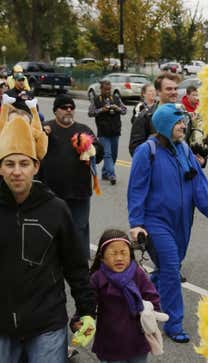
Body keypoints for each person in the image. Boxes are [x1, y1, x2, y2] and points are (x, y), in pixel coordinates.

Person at [0, 100, 96, 363]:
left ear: (36, 167)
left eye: (23, 163)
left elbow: (75, 265)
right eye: (9, 164)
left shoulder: (56, 209)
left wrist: (87, 311)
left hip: (47, 324)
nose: (17, 171)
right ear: (0, 168)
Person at [127, 103, 208, 343]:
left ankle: (142, 295)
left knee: (168, 267)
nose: (182, 126)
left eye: (183, 122)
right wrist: (136, 223)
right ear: (165, 125)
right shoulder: (147, 151)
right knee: (170, 268)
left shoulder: (184, 150)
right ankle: (173, 323)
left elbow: (199, 186)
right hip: (156, 221)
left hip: (182, 221)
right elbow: (136, 189)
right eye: (177, 123)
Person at [39, 94, 104, 261]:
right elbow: (33, 150)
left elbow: (99, 152)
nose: (68, 110)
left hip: (79, 192)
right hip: (50, 193)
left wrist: (90, 146)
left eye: (71, 108)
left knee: (79, 229)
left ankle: (81, 266)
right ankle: (52, 264)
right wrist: (41, 135)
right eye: (64, 108)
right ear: (55, 111)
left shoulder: (83, 130)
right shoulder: (46, 128)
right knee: (51, 229)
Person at [89, 229, 162, 363]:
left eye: (124, 253)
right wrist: (81, 319)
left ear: (130, 255)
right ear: (102, 257)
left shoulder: (137, 274)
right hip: (110, 340)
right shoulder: (97, 278)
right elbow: (88, 304)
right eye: (113, 253)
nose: (119, 258)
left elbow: (152, 296)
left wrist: (151, 312)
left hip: (137, 339)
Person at [129, 73, 181, 156]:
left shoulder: (181, 115)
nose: (174, 92)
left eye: (175, 89)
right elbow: (135, 149)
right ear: (158, 92)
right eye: (169, 89)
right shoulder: (145, 116)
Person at [88, 80, 126, 185]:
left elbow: (124, 110)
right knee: (107, 154)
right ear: (101, 89)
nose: (108, 91)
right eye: (106, 89)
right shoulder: (96, 100)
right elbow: (91, 113)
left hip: (115, 131)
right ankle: (112, 175)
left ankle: (105, 172)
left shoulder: (116, 98)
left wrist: (116, 108)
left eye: (109, 89)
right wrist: (101, 110)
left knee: (113, 155)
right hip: (103, 132)